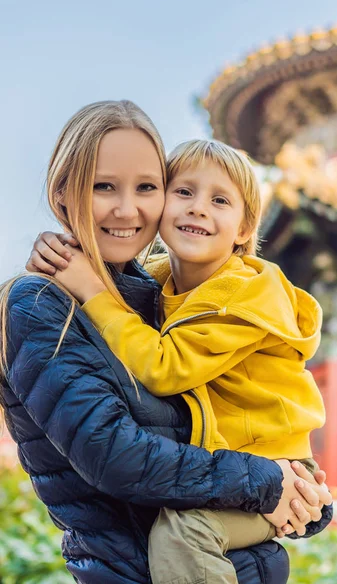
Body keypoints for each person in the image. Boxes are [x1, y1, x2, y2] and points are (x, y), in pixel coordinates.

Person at [13, 101, 331, 584]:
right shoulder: (45, 304)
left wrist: (304, 496)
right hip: (135, 569)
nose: (127, 208)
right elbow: (117, 456)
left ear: (246, 228)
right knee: (185, 533)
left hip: (246, 552)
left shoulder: (172, 295)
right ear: (63, 192)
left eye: (146, 187)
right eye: (103, 186)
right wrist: (270, 485)